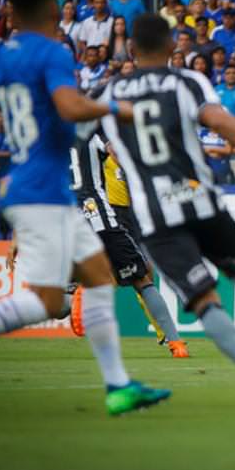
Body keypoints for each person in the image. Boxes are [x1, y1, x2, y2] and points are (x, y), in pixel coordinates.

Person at [0, 0, 171, 415]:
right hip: (43, 193)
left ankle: (117, 386)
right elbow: (71, 107)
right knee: (49, 301)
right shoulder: (52, 53)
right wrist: (118, 107)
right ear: (52, 9)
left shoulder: (0, 57)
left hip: (33, 188)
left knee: (95, 276)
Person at [96, 13, 235, 409]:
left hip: (155, 216)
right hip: (199, 198)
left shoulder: (111, 93)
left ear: (132, 50)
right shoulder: (187, 82)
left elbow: (84, 133)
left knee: (205, 302)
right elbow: (221, 122)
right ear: (173, 45)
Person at [68, 116, 190, 358]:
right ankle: (176, 343)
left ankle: (77, 296)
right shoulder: (94, 134)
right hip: (100, 217)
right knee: (143, 278)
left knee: (62, 293)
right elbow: (117, 154)